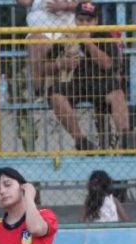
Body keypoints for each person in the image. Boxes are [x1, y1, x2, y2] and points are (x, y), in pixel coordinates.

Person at [47, 2, 133, 151]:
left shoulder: (104, 35)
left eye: (89, 20)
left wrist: (88, 43)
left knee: (118, 95)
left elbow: (108, 64)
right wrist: (60, 64)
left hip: (102, 82)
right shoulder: (66, 36)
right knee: (55, 95)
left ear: (96, 21)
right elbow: (43, 67)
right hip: (76, 83)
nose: (84, 24)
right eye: (81, 20)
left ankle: (127, 142)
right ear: (75, 20)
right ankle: (81, 141)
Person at [19, 0, 78, 96]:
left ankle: (43, 91)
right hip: (38, 28)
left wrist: (65, 6)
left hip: (65, 28)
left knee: (41, 45)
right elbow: (25, 2)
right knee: (37, 42)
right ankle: (39, 92)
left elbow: (85, 5)